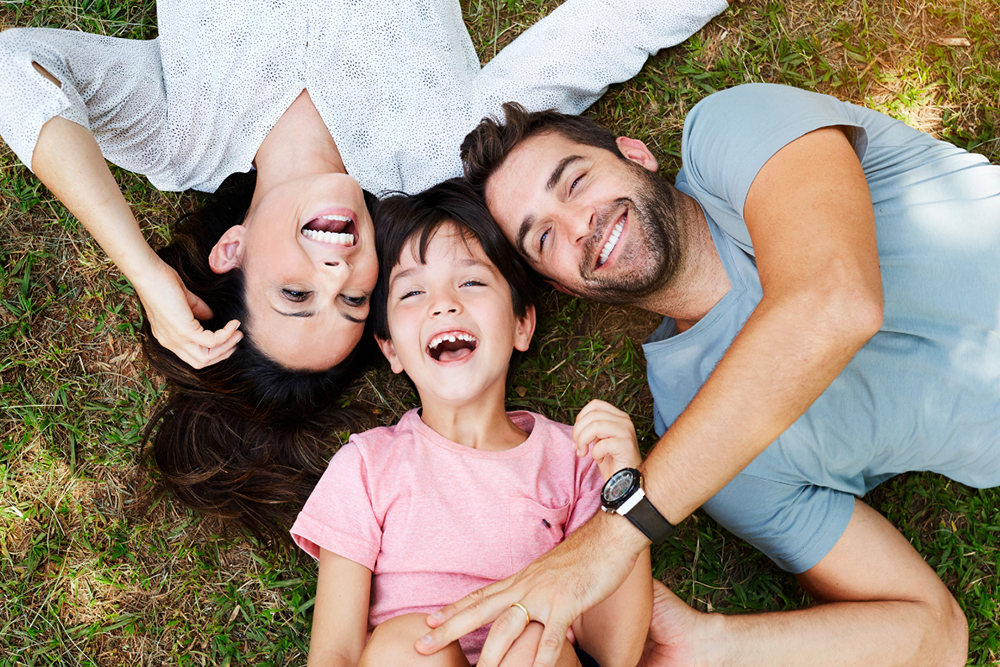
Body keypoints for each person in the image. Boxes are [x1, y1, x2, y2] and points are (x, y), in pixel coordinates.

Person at [0, 0, 731, 534]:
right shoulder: (440, 148)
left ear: (234, 250)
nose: (338, 266)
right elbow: (614, 26)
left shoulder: (176, 134)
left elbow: (16, 71)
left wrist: (141, 268)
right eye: (352, 300)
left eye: (295, 292)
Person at [415, 83, 1000, 666]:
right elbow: (934, 636)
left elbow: (836, 299)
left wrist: (613, 537)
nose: (577, 225)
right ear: (566, 286)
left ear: (636, 154)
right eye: (543, 238)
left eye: (576, 182)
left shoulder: (732, 132)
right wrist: (712, 644)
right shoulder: (703, 458)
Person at [289, 179, 652, 667]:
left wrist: (626, 492)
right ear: (391, 347)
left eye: (472, 281)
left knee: (529, 643)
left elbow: (612, 653)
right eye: (413, 292)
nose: (444, 303)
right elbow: (335, 652)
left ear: (522, 322)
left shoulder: (580, 458)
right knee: (409, 645)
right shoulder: (368, 464)